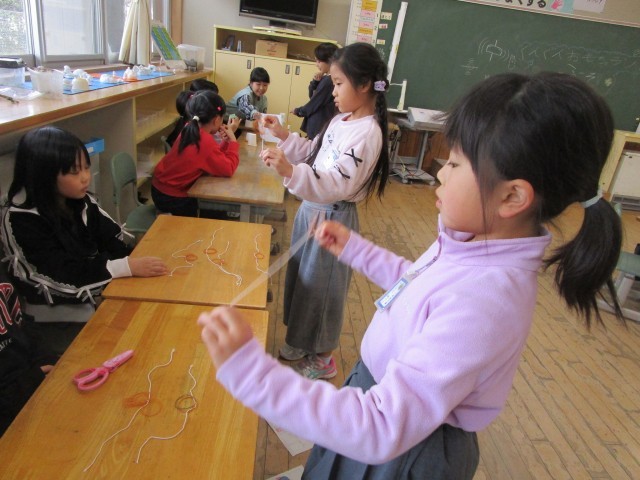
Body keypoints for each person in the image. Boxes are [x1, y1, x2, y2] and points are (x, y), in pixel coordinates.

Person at [197, 72, 623, 479]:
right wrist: (355, 249)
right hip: (381, 402)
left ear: (512, 196)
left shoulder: (486, 298)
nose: (440, 172)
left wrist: (253, 374)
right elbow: (417, 286)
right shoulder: (474, 243)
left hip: (403, 449)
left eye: (455, 164)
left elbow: (380, 427)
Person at [259, 43, 390, 379]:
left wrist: (291, 172)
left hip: (333, 217)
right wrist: (282, 135)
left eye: (339, 83)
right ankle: (301, 340)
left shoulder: (368, 133)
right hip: (312, 209)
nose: (332, 91)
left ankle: (323, 356)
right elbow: (314, 154)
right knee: (303, 281)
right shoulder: (341, 120)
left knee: (324, 290)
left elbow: (338, 183)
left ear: (364, 85)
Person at [1, 126, 168, 353]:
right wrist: (125, 267)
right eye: (74, 171)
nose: (85, 177)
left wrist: (134, 260)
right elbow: (59, 277)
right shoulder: (20, 220)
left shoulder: (80, 201)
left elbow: (112, 240)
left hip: (92, 299)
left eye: (86, 167)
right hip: (54, 322)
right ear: (43, 175)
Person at [152, 90, 240, 217]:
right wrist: (233, 141)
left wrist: (226, 142)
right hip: (171, 198)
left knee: (211, 200)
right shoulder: (204, 140)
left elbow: (211, 158)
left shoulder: (190, 128)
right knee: (214, 208)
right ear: (216, 120)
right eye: (222, 119)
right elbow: (228, 169)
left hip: (160, 189)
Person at [0, 261, 58, 436]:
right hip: (11, 417)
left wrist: (48, 361)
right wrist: (31, 381)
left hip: (32, 386)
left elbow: (21, 322)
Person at [291, 42, 338, 140]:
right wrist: (315, 82)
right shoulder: (325, 78)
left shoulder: (329, 81)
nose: (316, 65)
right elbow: (312, 96)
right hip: (317, 125)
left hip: (319, 126)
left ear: (329, 60)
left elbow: (314, 103)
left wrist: (299, 111)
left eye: (318, 61)